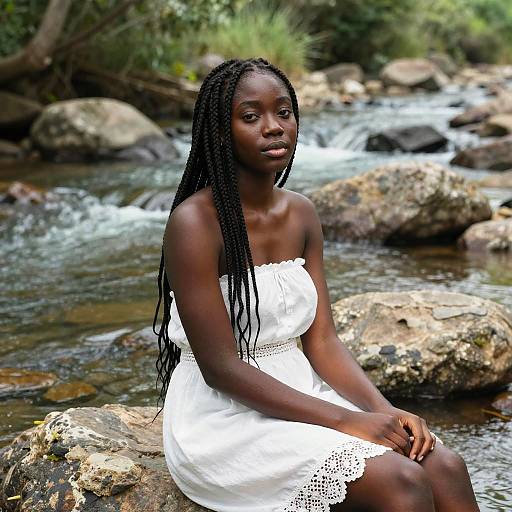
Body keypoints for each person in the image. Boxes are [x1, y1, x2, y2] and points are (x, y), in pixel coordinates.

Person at [153, 58, 480, 512]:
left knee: (445, 465)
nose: (273, 127)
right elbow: (221, 368)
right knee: (402, 481)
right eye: (251, 117)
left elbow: (322, 341)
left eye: (283, 112)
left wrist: (383, 412)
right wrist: (347, 421)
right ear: (219, 131)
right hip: (224, 415)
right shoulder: (194, 224)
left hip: (302, 390)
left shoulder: (302, 213)